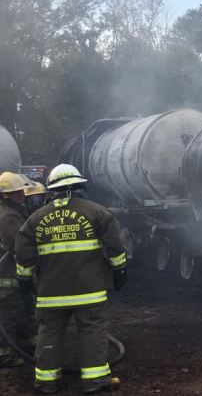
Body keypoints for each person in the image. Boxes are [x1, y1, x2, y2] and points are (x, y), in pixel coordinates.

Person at [16, 164, 127, 394]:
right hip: (89, 292)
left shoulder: (36, 219)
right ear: (79, 187)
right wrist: (119, 271)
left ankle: (46, 383)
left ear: (52, 190)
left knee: (49, 332)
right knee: (92, 331)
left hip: (50, 294)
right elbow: (115, 248)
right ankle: (95, 382)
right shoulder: (98, 213)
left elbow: (24, 254)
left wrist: (25, 280)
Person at [0, 172, 36, 368]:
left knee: (22, 307)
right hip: (6, 273)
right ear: (6, 195)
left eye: (21, 190)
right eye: (15, 192)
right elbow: (17, 245)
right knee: (9, 311)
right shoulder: (8, 216)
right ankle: (4, 354)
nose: (21, 194)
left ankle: (26, 345)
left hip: (13, 269)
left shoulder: (14, 211)